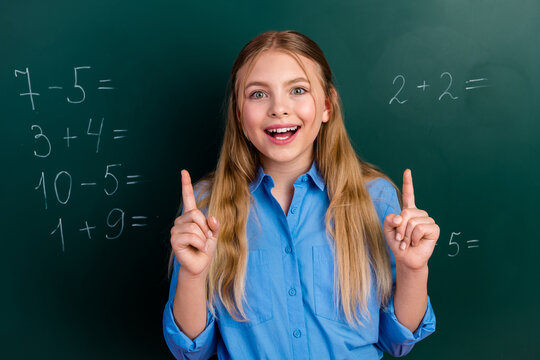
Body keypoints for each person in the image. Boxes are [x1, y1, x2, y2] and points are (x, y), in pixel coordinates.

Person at [163, 30, 439, 359]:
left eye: (297, 90)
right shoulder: (206, 206)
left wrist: (413, 271)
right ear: (239, 114)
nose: (279, 109)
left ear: (326, 106)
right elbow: (191, 350)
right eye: (257, 94)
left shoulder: (375, 199)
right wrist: (193, 276)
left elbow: (399, 341)